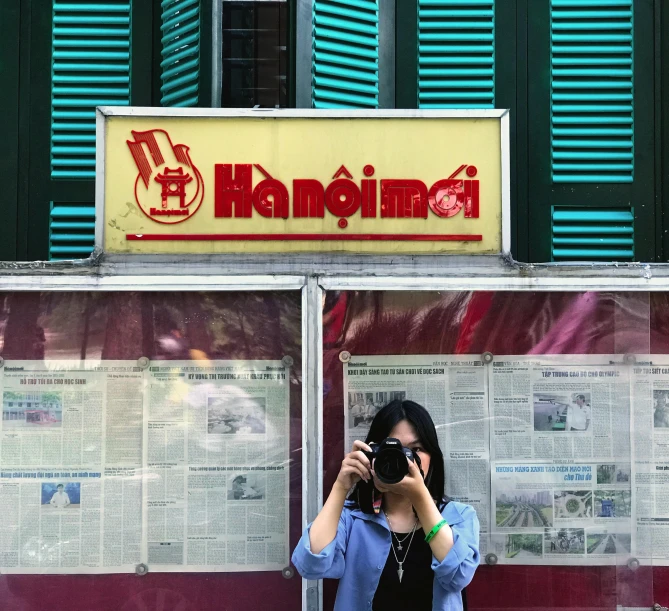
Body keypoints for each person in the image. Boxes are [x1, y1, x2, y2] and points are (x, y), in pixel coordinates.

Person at [292, 400, 479, 611]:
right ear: (371, 454)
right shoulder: (352, 517)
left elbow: (458, 577)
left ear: (432, 458)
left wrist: (419, 496)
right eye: (393, 449)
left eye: (416, 449)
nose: (402, 460)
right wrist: (340, 487)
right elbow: (310, 565)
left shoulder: (459, 516)